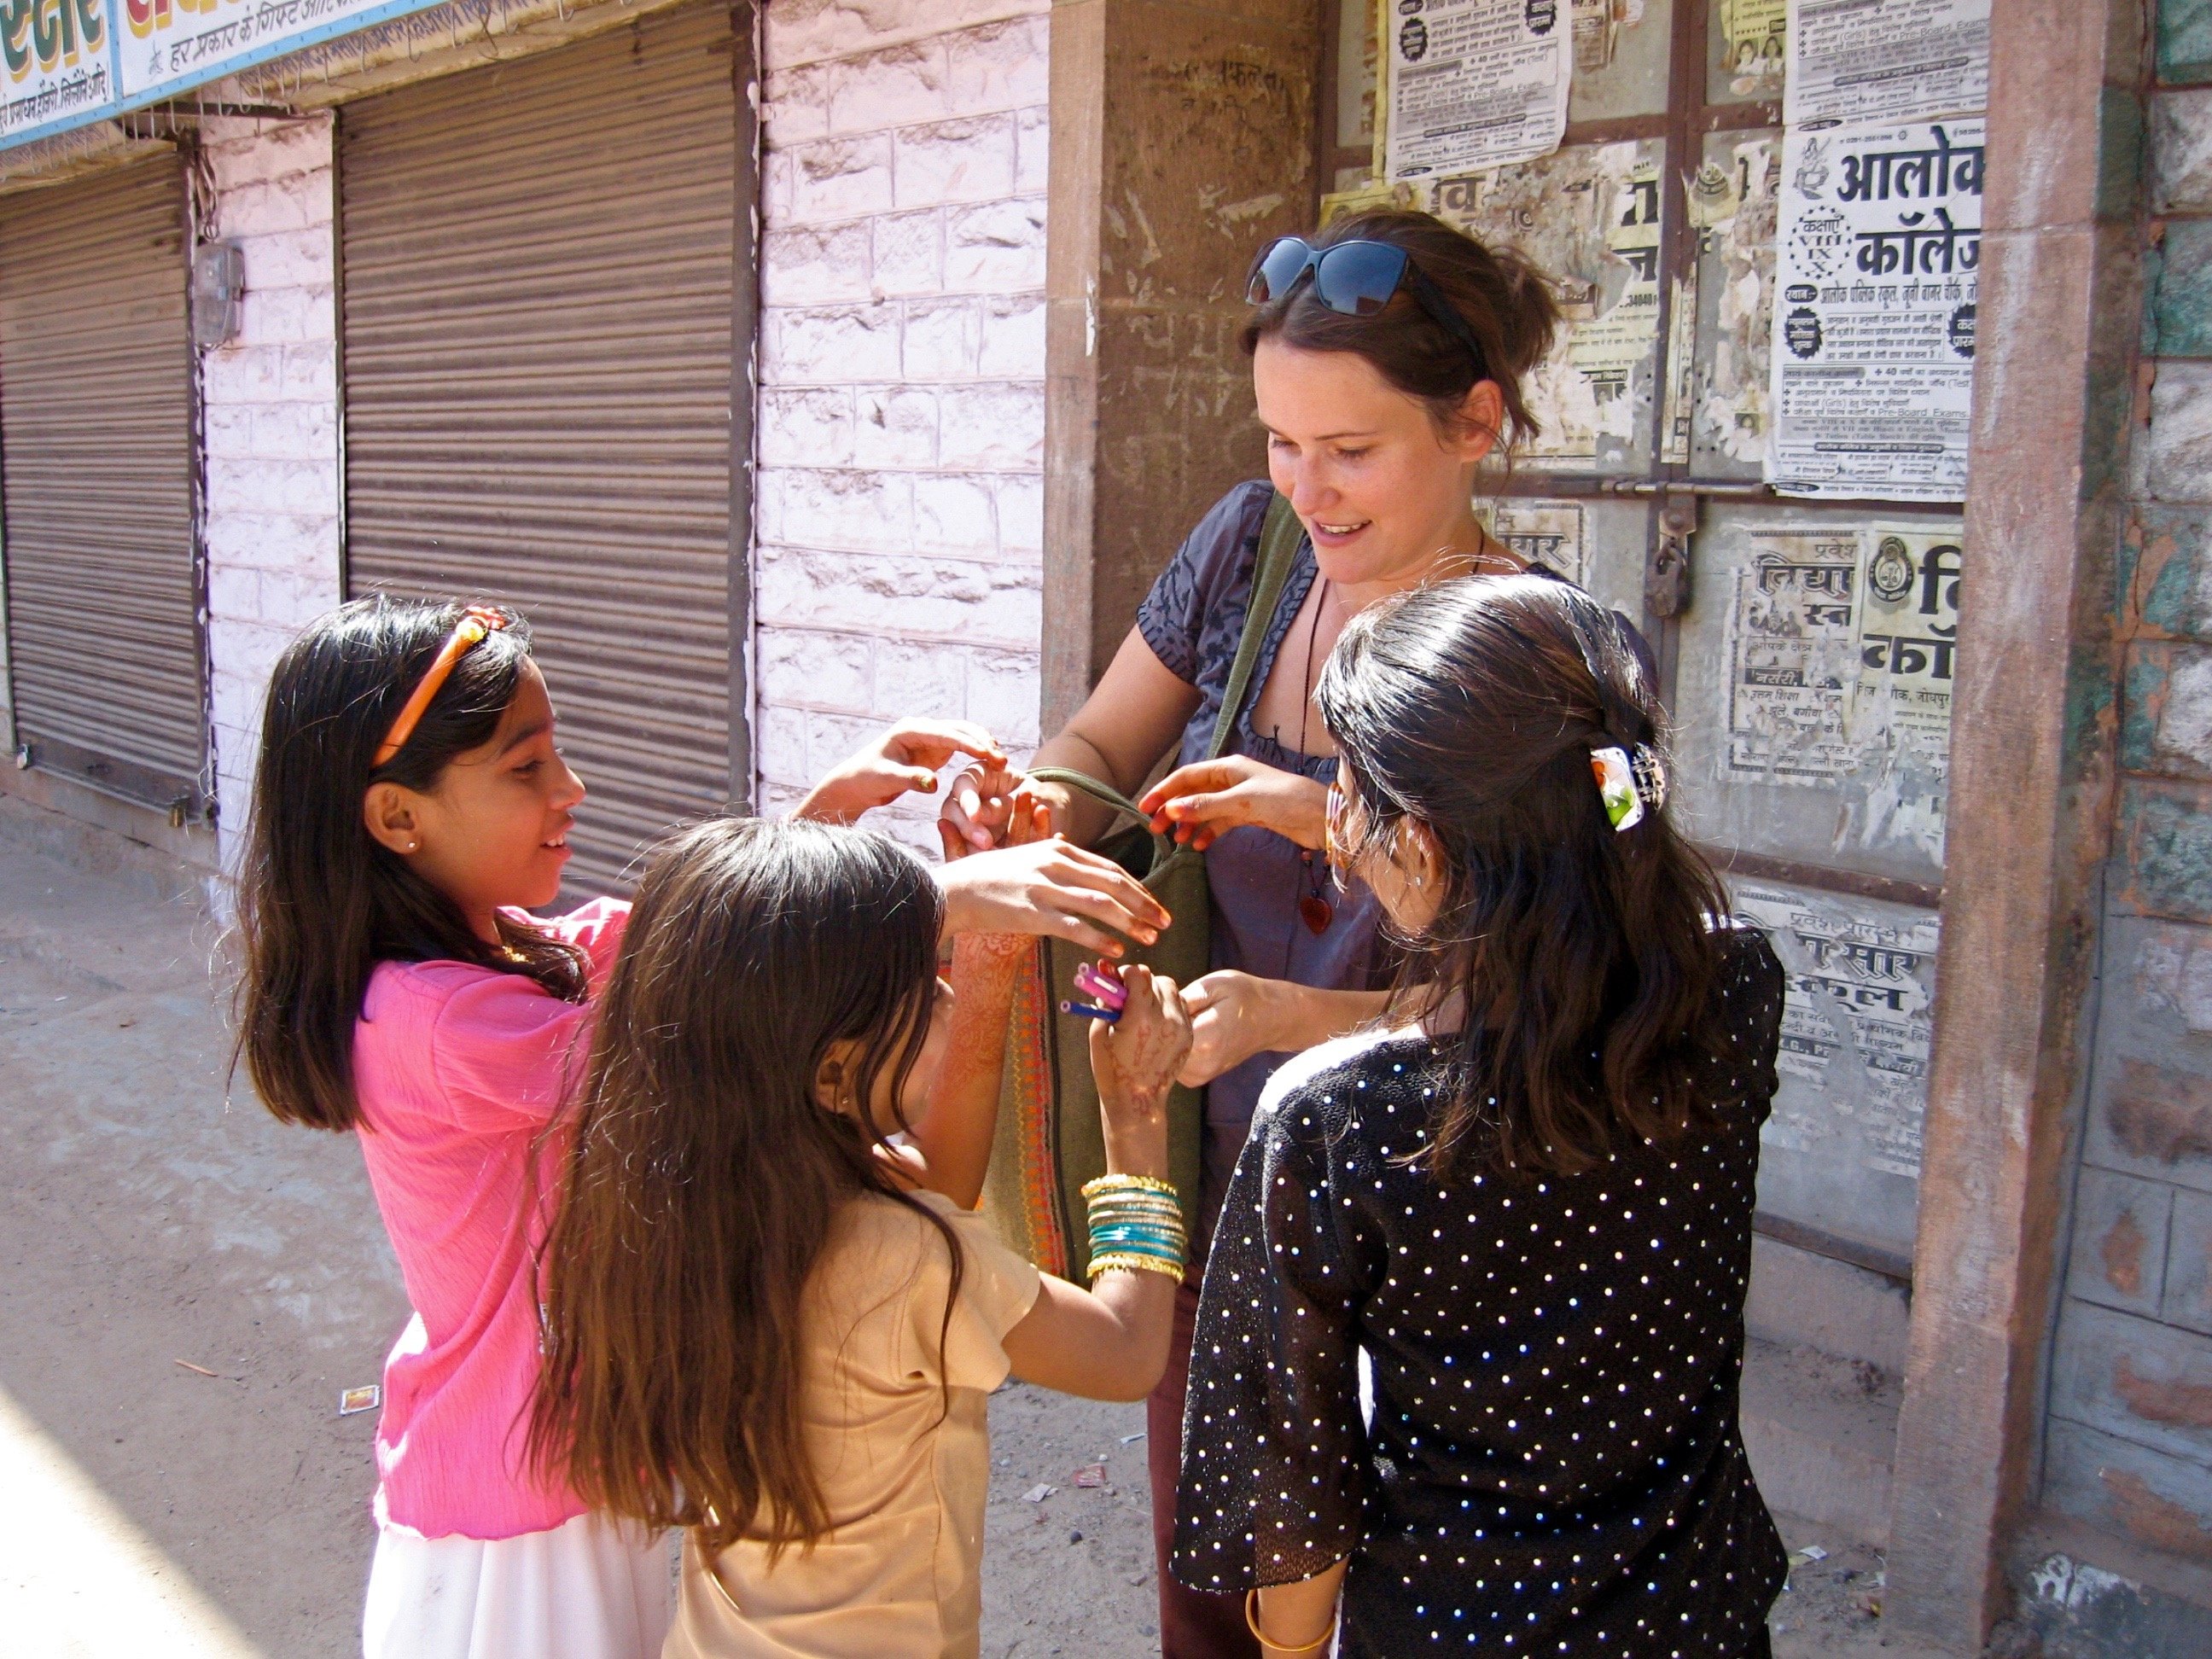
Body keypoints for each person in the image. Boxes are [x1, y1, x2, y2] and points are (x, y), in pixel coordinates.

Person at [936, 209, 1650, 1655]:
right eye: (1279, 439)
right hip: (1202, 1174)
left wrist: (1325, 817)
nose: (1305, 489)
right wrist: (1036, 816)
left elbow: (1600, 958)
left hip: (1430, 1224)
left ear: (1474, 423)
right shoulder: (1246, 552)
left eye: (1350, 449)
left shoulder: (1560, 653)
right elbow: (1097, 735)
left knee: (1392, 1590)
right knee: (1213, 1571)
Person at [230, 595, 1171, 1659]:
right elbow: (700, 1001)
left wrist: (821, 826)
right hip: (526, 1521)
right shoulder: (441, 1025)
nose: (570, 790)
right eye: (525, 767)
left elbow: (686, 945)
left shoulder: (510, 949)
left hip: (593, 1457)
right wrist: (937, 897)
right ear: (399, 818)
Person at [1173, 576, 1787, 1656]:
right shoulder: (1730, 994)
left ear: (1417, 849)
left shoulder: (1333, 1123)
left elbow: (1296, 1507)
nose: (1340, 829)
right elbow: (1543, 983)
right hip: (1699, 1616)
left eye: (1348, 797)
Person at [528, 817, 1195, 1657]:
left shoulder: (689, 1201)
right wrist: (1135, 1115)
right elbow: (1126, 1352)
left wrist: (988, 968)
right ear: (836, 1073)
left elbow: (937, 1194)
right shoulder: (899, 1255)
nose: (945, 993)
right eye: (928, 983)